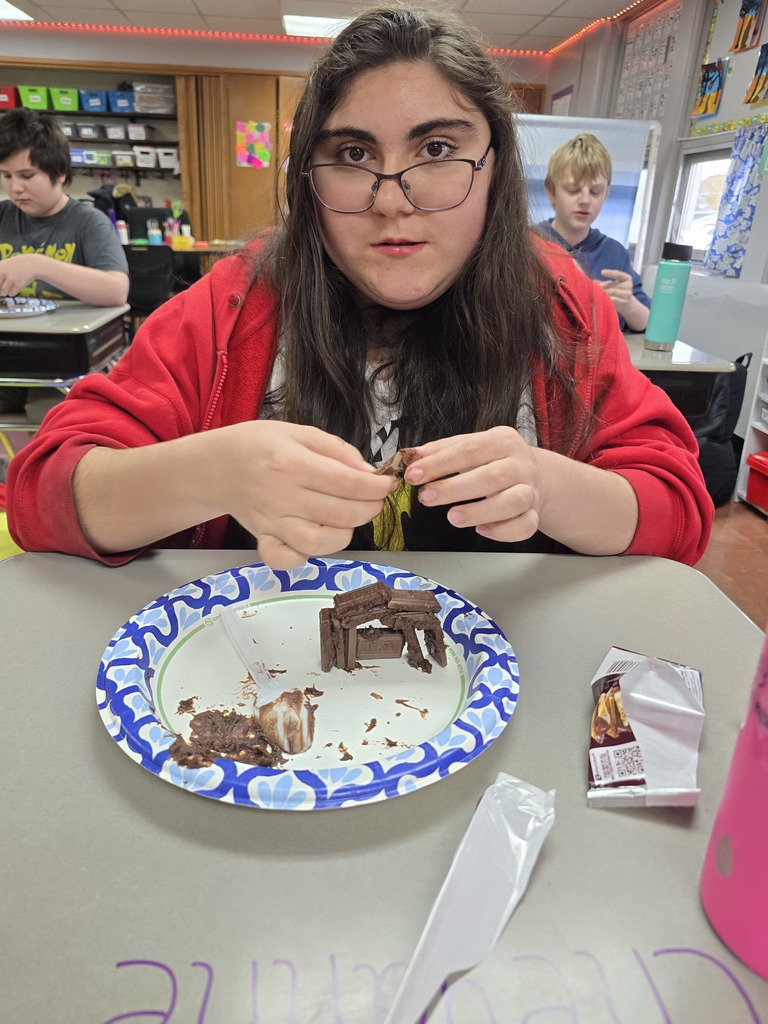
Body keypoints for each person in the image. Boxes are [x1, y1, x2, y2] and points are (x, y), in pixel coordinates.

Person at [6, 4, 713, 569]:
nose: (392, 201)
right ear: (306, 177)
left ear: (494, 167)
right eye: (352, 154)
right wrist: (210, 472)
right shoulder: (233, 305)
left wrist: (551, 487)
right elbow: (40, 494)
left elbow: (678, 512)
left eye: (437, 150)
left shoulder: (564, 306)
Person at [0, 107, 129, 412]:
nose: (15, 187)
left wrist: (39, 264)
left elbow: (117, 289)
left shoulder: (88, 222)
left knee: (48, 413)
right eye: (6, 175)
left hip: (60, 364)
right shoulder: (2, 216)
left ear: (59, 173)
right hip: (9, 356)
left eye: (27, 175)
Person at [535, 132, 651, 332]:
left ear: (606, 193)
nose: (585, 200)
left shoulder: (614, 253)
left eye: (595, 191)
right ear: (551, 191)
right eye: (573, 190)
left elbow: (650, 324)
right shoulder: (529, 244)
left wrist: (627, 304)